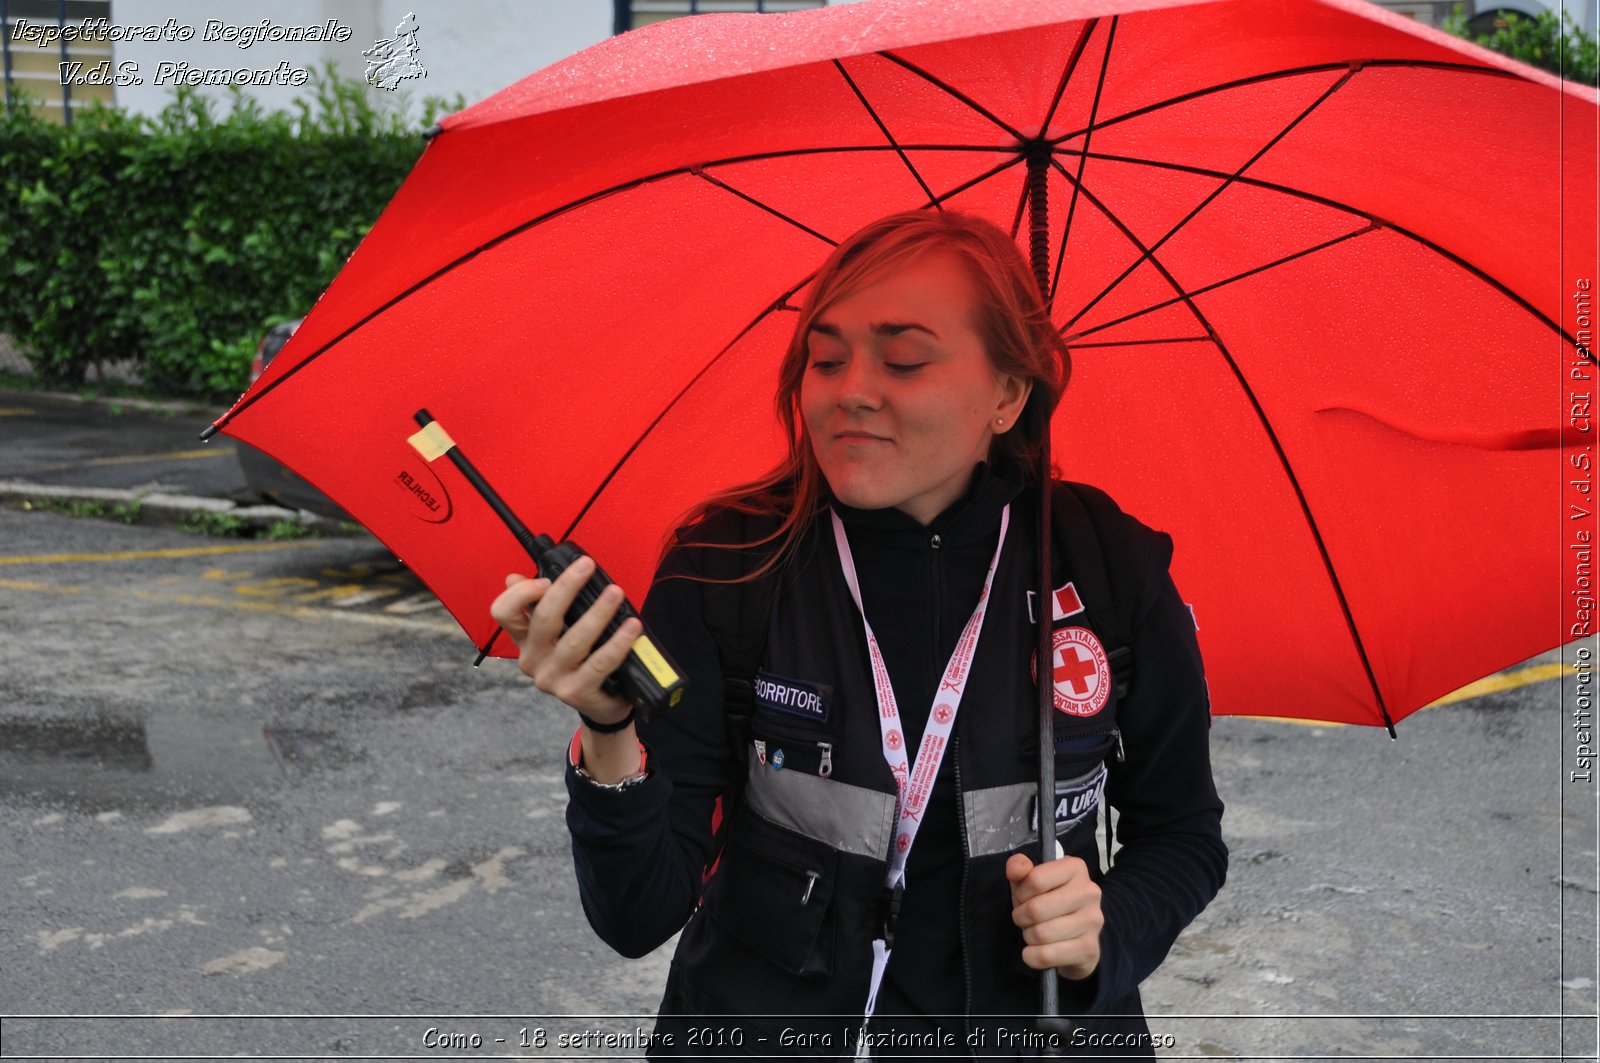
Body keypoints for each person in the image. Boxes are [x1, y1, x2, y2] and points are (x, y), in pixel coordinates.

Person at [490, 210, 1226, 1059]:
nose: (850, 390)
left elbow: (1184, 834)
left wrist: (1108, 927)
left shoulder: (1107, 563)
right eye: (826, 357)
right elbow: (636, 914)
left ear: (1007, 394)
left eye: (904, 359)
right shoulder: (729, 563)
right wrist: (608, 730)